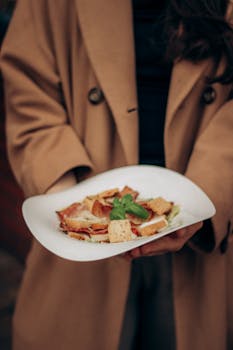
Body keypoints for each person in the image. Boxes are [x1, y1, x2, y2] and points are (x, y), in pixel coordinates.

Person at [0, 0, 233, 349]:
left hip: (202, 241)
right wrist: (69, 202)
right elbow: (30, 94)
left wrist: (207, 194)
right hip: (79, 249)